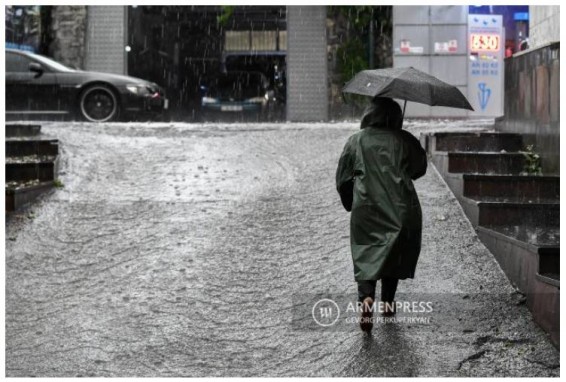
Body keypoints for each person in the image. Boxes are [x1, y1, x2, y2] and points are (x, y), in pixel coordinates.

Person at [335, 97, 427, 333]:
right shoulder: (405, 140)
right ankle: (387, 302)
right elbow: (420, 168)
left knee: (368, 250)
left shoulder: (356, 141)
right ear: (396, 117)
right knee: (393, 251)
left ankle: (366, 299)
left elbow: (343, 178)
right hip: (401, 207)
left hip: (366, 209)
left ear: (368, 114)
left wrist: (350, 203)